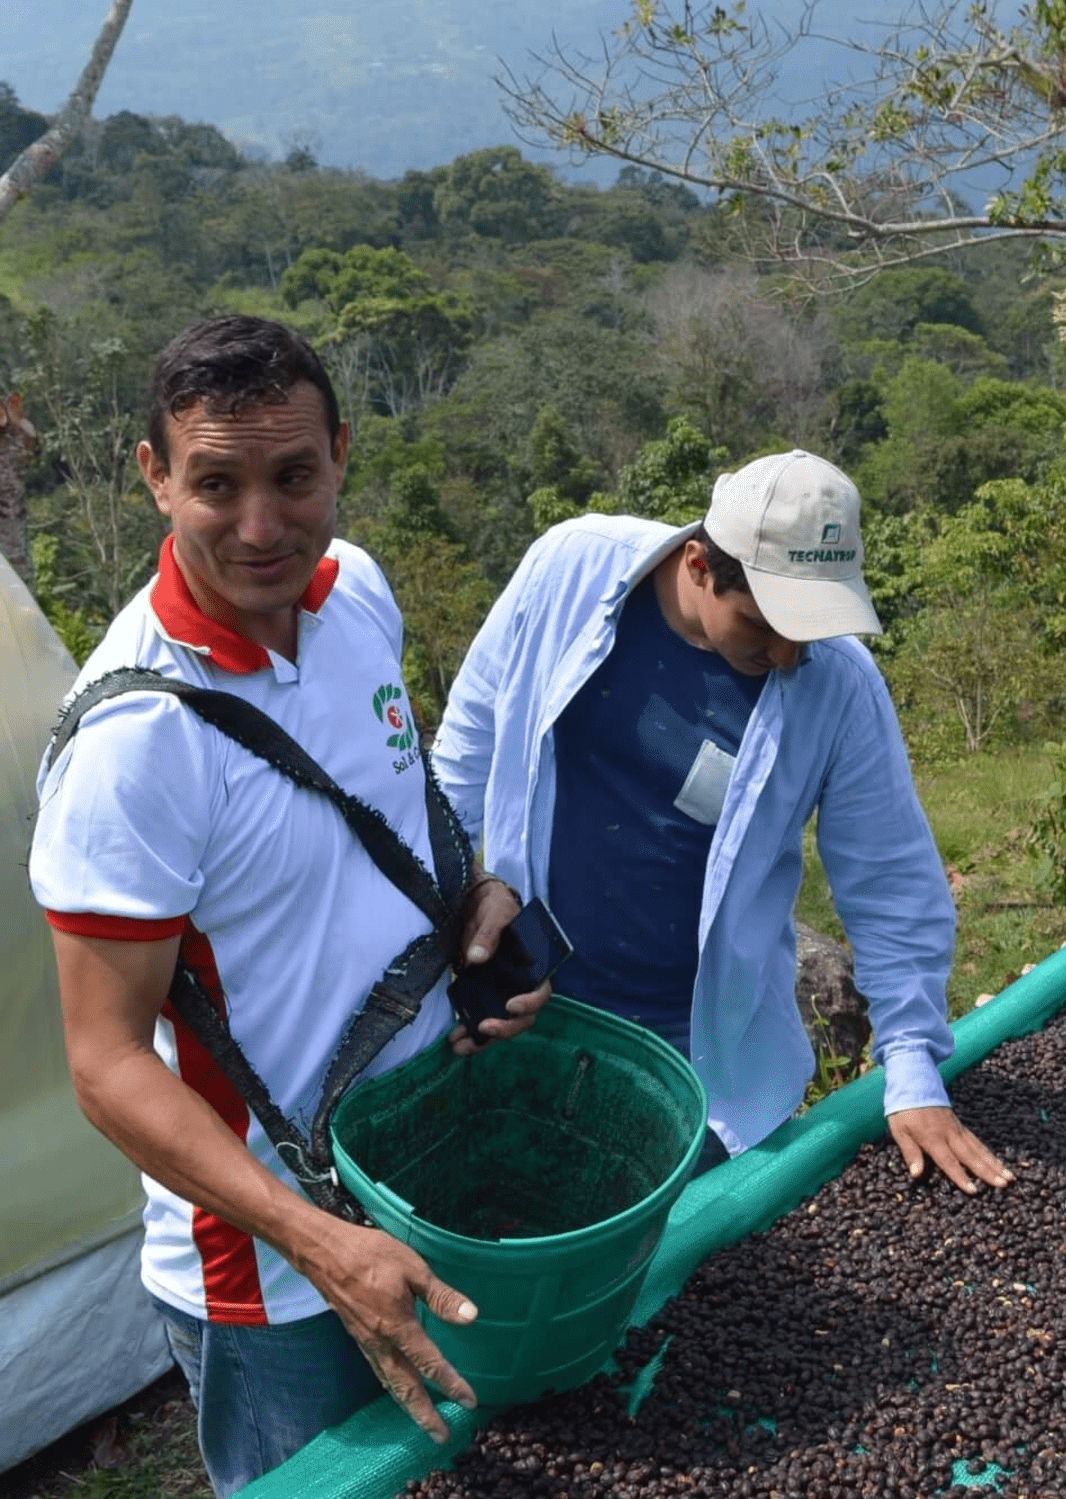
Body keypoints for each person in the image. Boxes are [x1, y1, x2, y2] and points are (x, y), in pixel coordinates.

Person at [29, 316, 549, 1498]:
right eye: (215, 482)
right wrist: (323, 1246)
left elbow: (379, 813)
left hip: (424, 1180)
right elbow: (106, 1063)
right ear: (154, 475)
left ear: (342, 455)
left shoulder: (356, 590)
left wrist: (476, 915)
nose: (261, 526)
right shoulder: (137, 745)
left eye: (292, 476)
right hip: (273, 1271)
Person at [432, 448, 1014, 1192]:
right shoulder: (568, 574)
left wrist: (910, 1066)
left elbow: (890, 882)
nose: (786, 653)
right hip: (525, 1015)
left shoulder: (838, 685)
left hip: (697, 1053)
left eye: (808, 628)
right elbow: (460, 762)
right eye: (763, 625)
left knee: (684, 1270)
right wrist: (457, 909)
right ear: (701, 562)